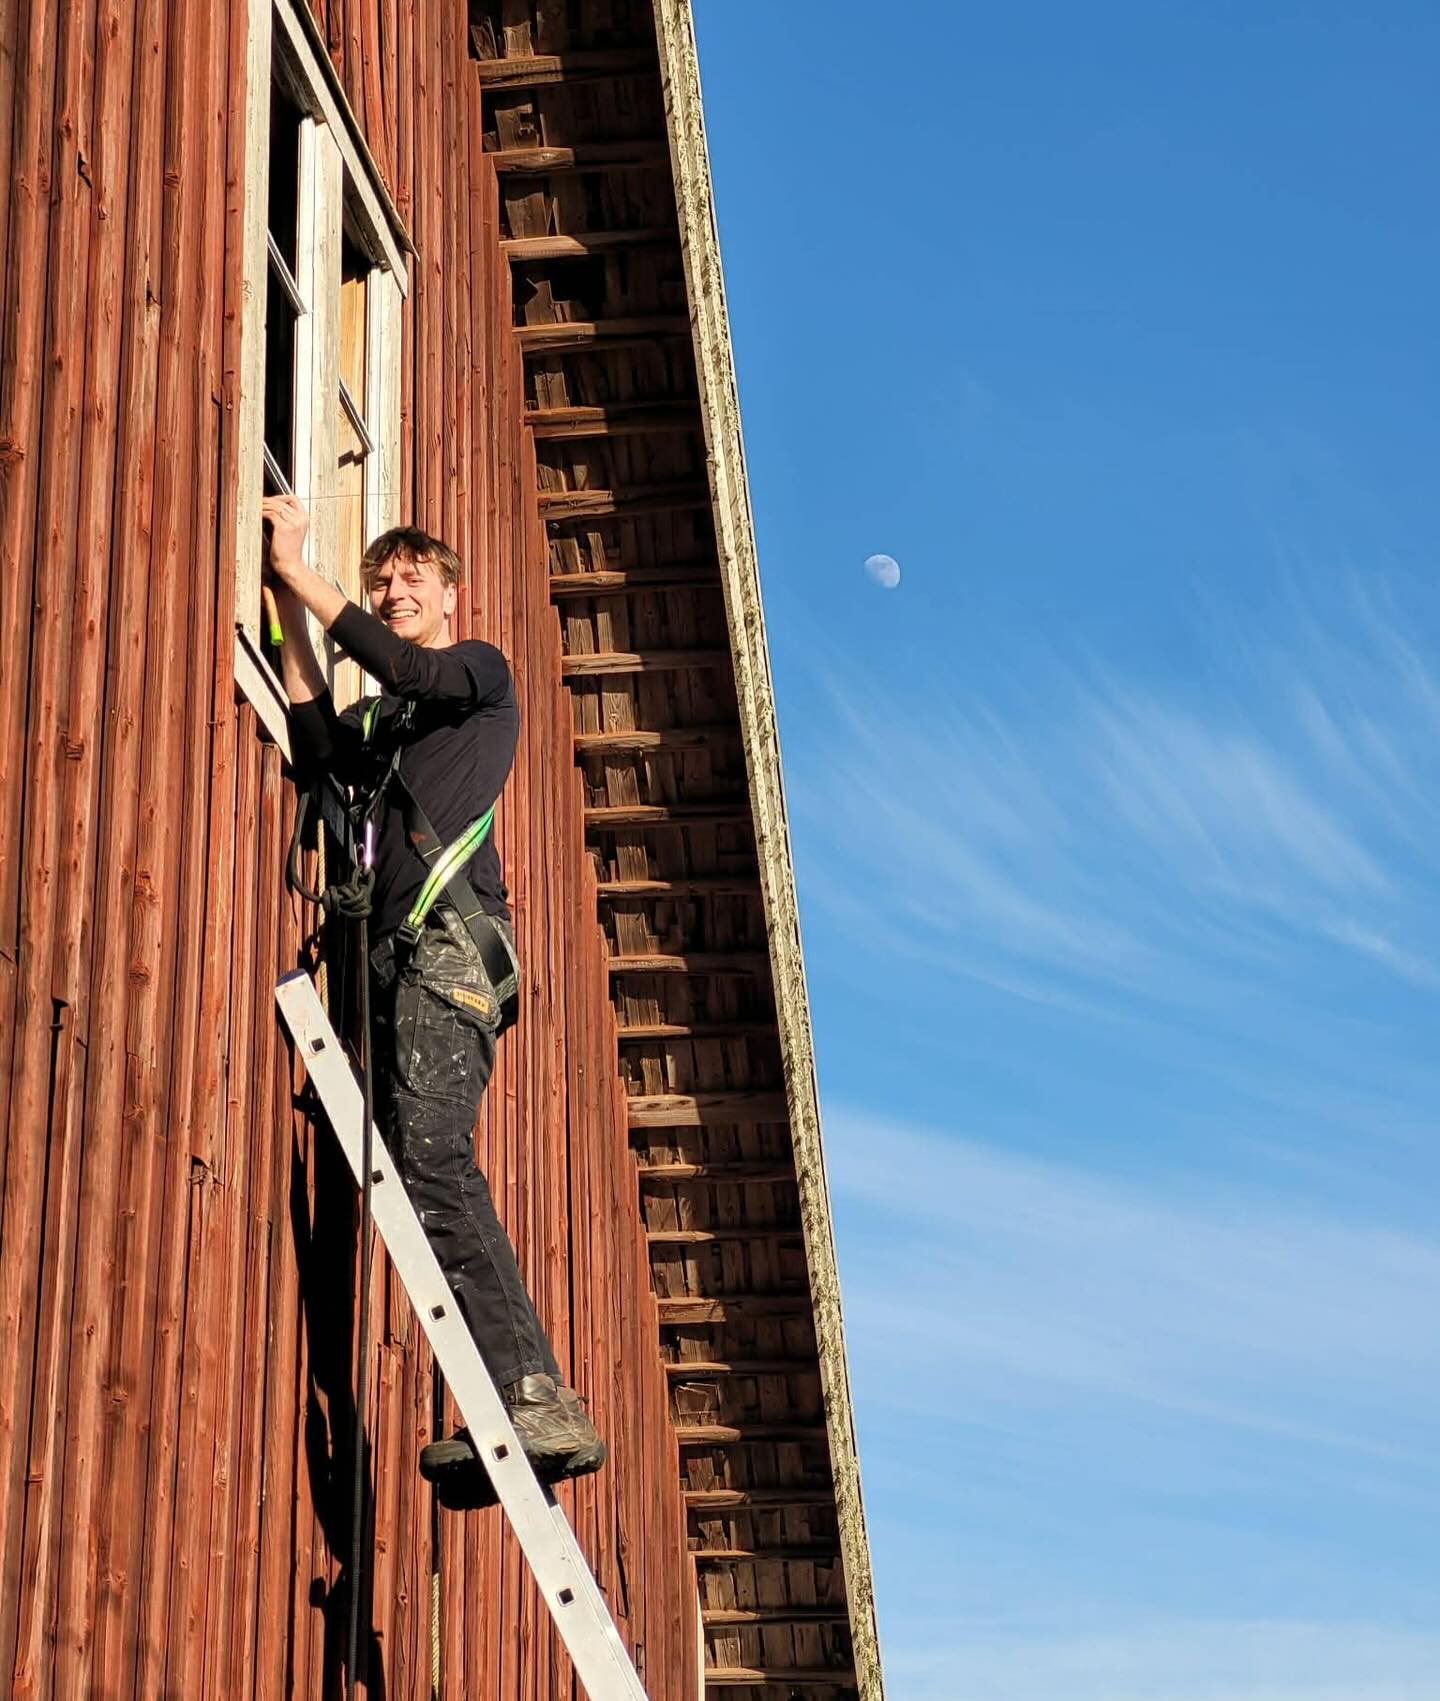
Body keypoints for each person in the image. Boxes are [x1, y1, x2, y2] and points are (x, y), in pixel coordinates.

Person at [261, 494, 605, 1501]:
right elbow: (317, 735)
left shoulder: (476, 676)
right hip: (386, 971)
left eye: (413, 577)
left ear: (450, 594)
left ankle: (539, 1397)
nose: (394, 588)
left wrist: (298, 566)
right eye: (382, 579)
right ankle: (519, 1397)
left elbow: (403, 666)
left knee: (433, 1158)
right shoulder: (382, 725)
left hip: (447, 954)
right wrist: (287, 603)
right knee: (416, 1166)